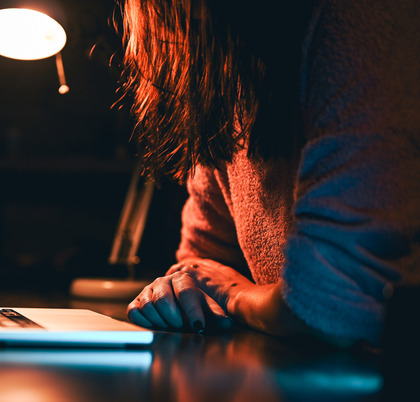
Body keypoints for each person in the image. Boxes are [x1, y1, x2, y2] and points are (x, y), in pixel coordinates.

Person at [122, 0, 420, 347]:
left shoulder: (362, 19)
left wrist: (233, 293)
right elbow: (203, 264)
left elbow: (332, 306)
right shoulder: (230, 77)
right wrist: (182, 288)